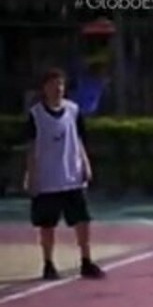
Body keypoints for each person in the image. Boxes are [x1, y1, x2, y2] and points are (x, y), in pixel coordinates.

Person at [21, 68, 105, 281]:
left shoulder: (74, 111)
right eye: (52, 84)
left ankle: (86, 261)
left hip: (72, 176)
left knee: (82, 221)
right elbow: (31, 148)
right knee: (47, 225)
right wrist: (31, 175)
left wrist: (85, 164)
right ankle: (48, 263)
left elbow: (78, 139)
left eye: (60, 84)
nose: (57, 88)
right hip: (47, 178)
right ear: (44, 88)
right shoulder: (36, 115)